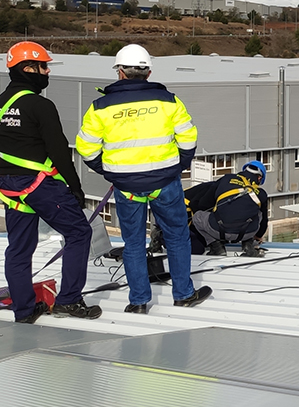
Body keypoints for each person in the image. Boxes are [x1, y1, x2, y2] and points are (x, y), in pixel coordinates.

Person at [76, 44, 211, 314]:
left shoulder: (100, 107)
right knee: (176, 237)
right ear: (148, 72)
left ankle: (138, 301)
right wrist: (178, 166)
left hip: (126, 187)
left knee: (133, 243)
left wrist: (110, 170)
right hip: (165, 183)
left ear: (120, 73)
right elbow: (188, 138)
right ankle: (183, 293)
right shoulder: (168, 101)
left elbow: (86, 148)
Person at [0, 41, 101, 323]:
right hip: (39, 186)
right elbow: (58, 150)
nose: (47, 72)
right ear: (28, 68)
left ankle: (24, 310)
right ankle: (69, 300)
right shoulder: (40, 105)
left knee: (19, 248)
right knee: (78, 234)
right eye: (43, 66)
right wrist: (75, 187)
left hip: (10, 187)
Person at [185, 160, 269, 257]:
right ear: (259, 178)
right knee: (257, 213)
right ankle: (248, 245)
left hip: (218, 231)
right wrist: (257, 237)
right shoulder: (261, 193)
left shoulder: (226, 179)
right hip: (246, 234)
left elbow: (203, 205)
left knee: (198, 216)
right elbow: (263, 223)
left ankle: (217, 247)